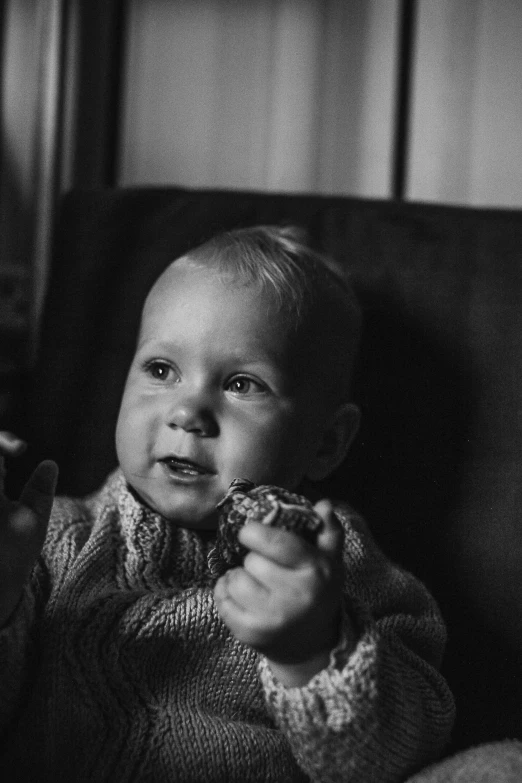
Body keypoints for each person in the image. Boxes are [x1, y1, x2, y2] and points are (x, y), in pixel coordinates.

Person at [0, 226, 455, 782]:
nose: (188, 411)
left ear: (326, 442)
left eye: (241, 384)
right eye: (161, 371)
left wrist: (312, 652)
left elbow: (400, 756)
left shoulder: (337, 568)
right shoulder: (53, 539)